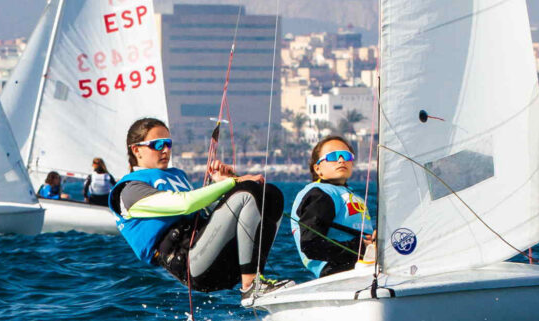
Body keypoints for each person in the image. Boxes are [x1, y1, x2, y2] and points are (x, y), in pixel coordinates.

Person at [109, 117, 292, 302]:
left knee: (270, 194)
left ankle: (255, 277)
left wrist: (220, 183)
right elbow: (185, 204)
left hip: (213, 251)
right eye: (157, 145)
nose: (165, 150)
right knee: (248, 192)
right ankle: (251, 286)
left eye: (168, 144)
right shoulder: (129, 190)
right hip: (190, 263)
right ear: (136, 150)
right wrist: (233, 183)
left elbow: (205, 212)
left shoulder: (176, 175)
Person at [292, 135, 375, 278]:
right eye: (333, 156)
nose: (341, 160)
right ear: (318, 168)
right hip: (336, 270)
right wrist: (361, 247)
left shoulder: (348, 193)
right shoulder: (320, 195)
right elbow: (311, 245)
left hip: (363, 267)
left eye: (346, 156)